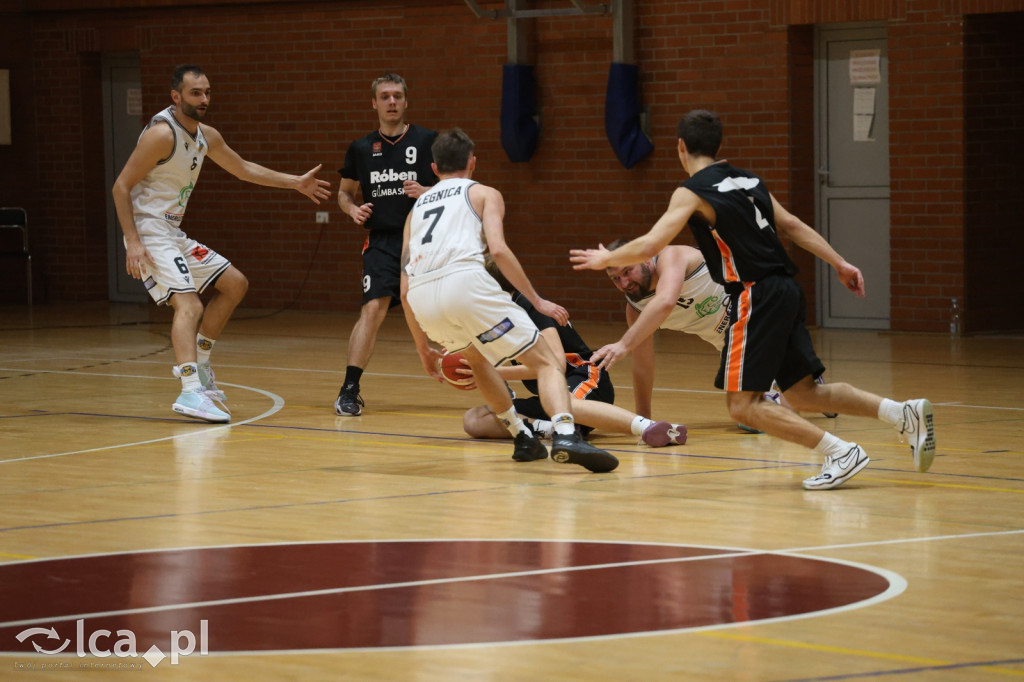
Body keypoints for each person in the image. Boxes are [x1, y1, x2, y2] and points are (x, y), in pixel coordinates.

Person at [570, 109, 936, 490]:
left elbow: (650, 244)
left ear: (680, 147)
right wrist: (839, 263)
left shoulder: (692, 190)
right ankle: (901, 413)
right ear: (718, 145)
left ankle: (840, 451)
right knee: (804, 392)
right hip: (786, 287)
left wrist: (606, 259)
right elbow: (791, 225)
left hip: (754, 293)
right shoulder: (748, 179)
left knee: (743, 406)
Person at [112, 64, 331, 423]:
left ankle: (201, 365)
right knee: (190, 306)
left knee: (234, 284)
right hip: (150, 233)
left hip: (171, 232)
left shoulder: (206, 136)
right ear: (176, 96)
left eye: (207, 92)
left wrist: (295, 182)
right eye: (196, 93)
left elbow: (243, 168)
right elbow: (120, 186)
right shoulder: (161, 134)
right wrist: (133, 242)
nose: (204, 99)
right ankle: (189, 391)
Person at [401, 128, 618, 473]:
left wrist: (422, 349)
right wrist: (538, 300)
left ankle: (522, 438)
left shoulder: (415, 211)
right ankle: (565, 434)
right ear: (473, 161)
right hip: (464, 282)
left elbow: (404, 284)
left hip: (422, 295)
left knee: (477, 360)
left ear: (433, 167)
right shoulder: (484, 193)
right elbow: (499, 250)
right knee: (547, 362)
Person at [601, 239, 835, 428]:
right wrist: (645, 422)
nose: (624, 283)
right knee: (749, 419)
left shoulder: (671, 256)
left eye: (627, 271)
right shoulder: (636, 309)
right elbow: (643, 366)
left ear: (643, 258)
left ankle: (800, 382)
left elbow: (666, 300)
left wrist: (623, 344)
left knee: (771, 415)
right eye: (615, 279)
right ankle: (805, 383)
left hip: (762, 314)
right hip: (737, 350)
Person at [460, 259, 686, 447]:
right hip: (550, 392)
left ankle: (650, 427)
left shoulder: (531, 306)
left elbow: (555, 365)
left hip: (583, 376)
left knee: (565, 403)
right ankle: (552, 428)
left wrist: (494, 373)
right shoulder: (497, 315)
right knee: (475, 419)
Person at [334, 73, 438, 417]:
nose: (391, 102)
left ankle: (500, 382)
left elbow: (454, 186)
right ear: (374, 103)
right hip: (382, 241)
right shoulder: (361, 148)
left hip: (424, 240)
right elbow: (344, 193)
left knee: (451, 310)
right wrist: (352, 209)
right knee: (373, 310)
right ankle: (349, 389)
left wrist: (426, 192)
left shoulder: (427, 141)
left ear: (406, 102)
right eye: (385, 96)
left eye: (397, 96)